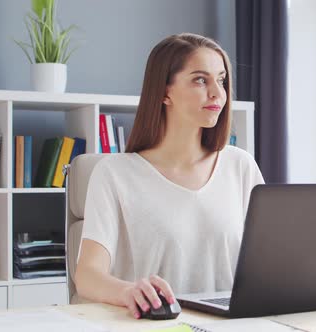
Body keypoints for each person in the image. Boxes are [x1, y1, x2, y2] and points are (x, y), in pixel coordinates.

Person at [74, 33, 264, 319]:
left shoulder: (240, 166)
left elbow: (269, 263)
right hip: (159, 324)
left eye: (221, 80)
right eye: (201, 80)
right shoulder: (114, 174)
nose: (217, 93)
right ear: (164, 92)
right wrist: (127, 291)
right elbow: (87, 275)